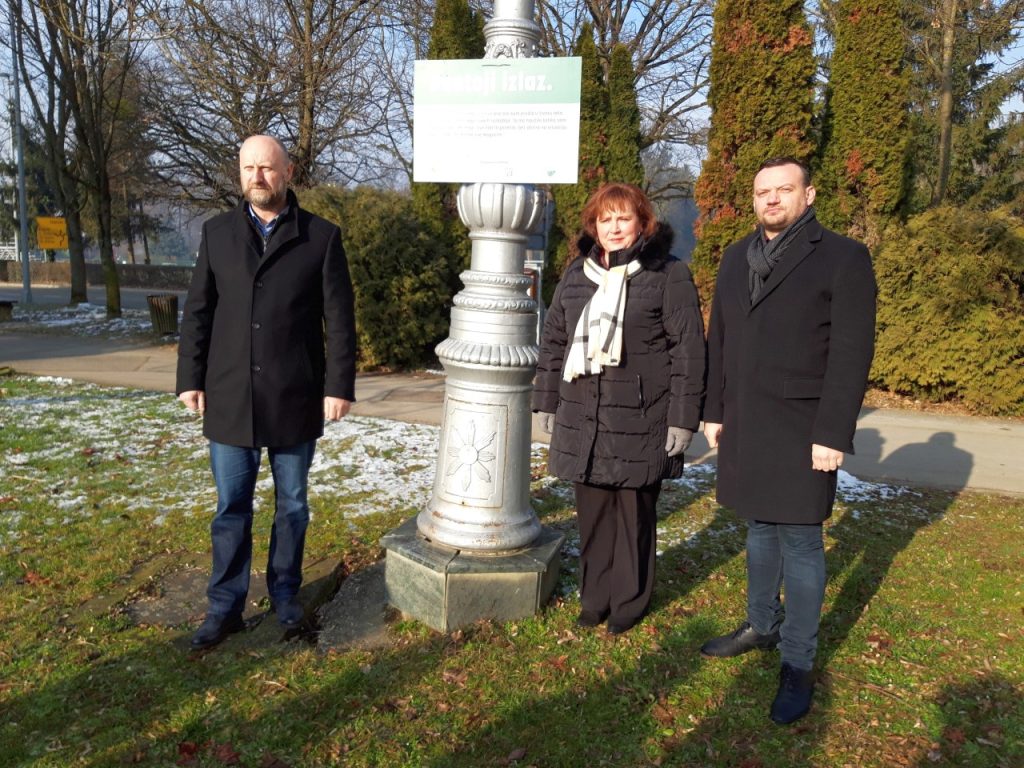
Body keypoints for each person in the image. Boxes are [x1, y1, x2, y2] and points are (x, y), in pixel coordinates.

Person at [700, 157, 876, 724]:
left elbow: (851, 353)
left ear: (809, 195)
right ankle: (761, 624)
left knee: (800, 540)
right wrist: (713, 409)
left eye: (784, 189)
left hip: (804, 427)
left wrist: (832, 432)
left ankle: (798, 662)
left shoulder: (843, 257)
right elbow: (719, 339)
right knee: (758, 526)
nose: (772, 199)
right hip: (745, 420)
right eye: (762, 192)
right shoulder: (735, 257)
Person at [176, 135, 357, 650]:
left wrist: (338, 386)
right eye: (248, 168)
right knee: (230, 507)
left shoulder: (320, 237)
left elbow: (340, 320)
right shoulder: (217, 234)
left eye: (268, 168)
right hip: (230, 394)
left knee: (292, 506)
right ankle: (224, 607)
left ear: (288, 172)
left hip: (295, 394)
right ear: (239, 174)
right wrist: (189, 377)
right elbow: (199, 312)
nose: (257, 177)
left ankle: (285, 596)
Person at [533, 182, 705, 636]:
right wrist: (545, 399)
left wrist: (683, 419)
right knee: (593, 517)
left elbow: (688, 351)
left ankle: (629, 601)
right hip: (583, 416)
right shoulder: (577, 275)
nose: (613, 227)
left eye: (623, 218)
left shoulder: (668, 274)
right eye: (604, 219)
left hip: (641, 418)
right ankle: (595, 598)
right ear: (593, 226)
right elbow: (554, 341)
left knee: (633, 518)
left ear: (642, 223)